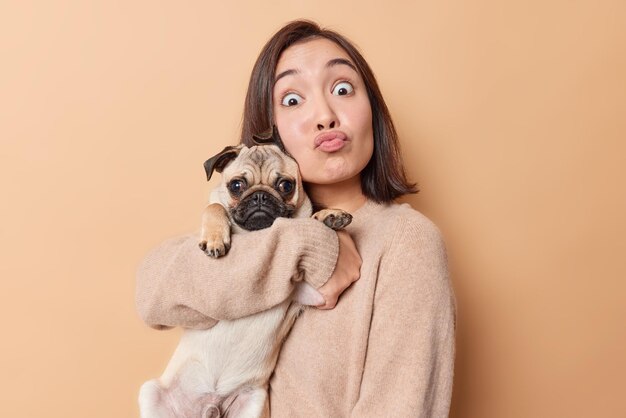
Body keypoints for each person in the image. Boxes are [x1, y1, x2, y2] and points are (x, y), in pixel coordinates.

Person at [136, 20, 456, 417]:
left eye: (342, 89)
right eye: (292, 99)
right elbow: (152, 296)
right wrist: (307, 245)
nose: (324, 115)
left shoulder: (407, 240)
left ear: (372, 109)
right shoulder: (250, 227)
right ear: (268, 134)